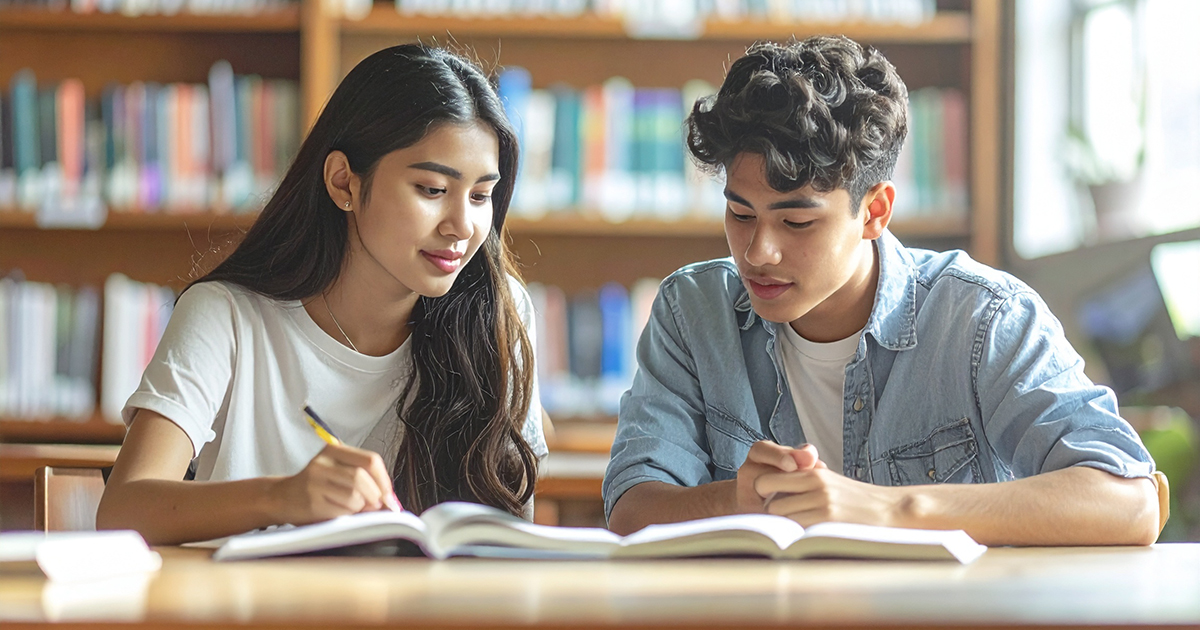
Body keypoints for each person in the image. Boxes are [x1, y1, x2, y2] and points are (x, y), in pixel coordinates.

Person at [603, 36, 1163, 545]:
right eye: (739, 212)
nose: (757, 252)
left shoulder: (982, 318)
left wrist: (886, 509)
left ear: (874, 211)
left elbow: (1128, 502)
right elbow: (630, 510)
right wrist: (736, 501)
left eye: (797, 223)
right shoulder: (692, 312)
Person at [97, 44, 547, 545]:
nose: (462, 226)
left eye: (481, 195)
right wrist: (284, 497)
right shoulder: (226, 315)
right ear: (343, 182)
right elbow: (124, 508)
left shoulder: (500, 314)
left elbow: (508, 537)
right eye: (432, 190)